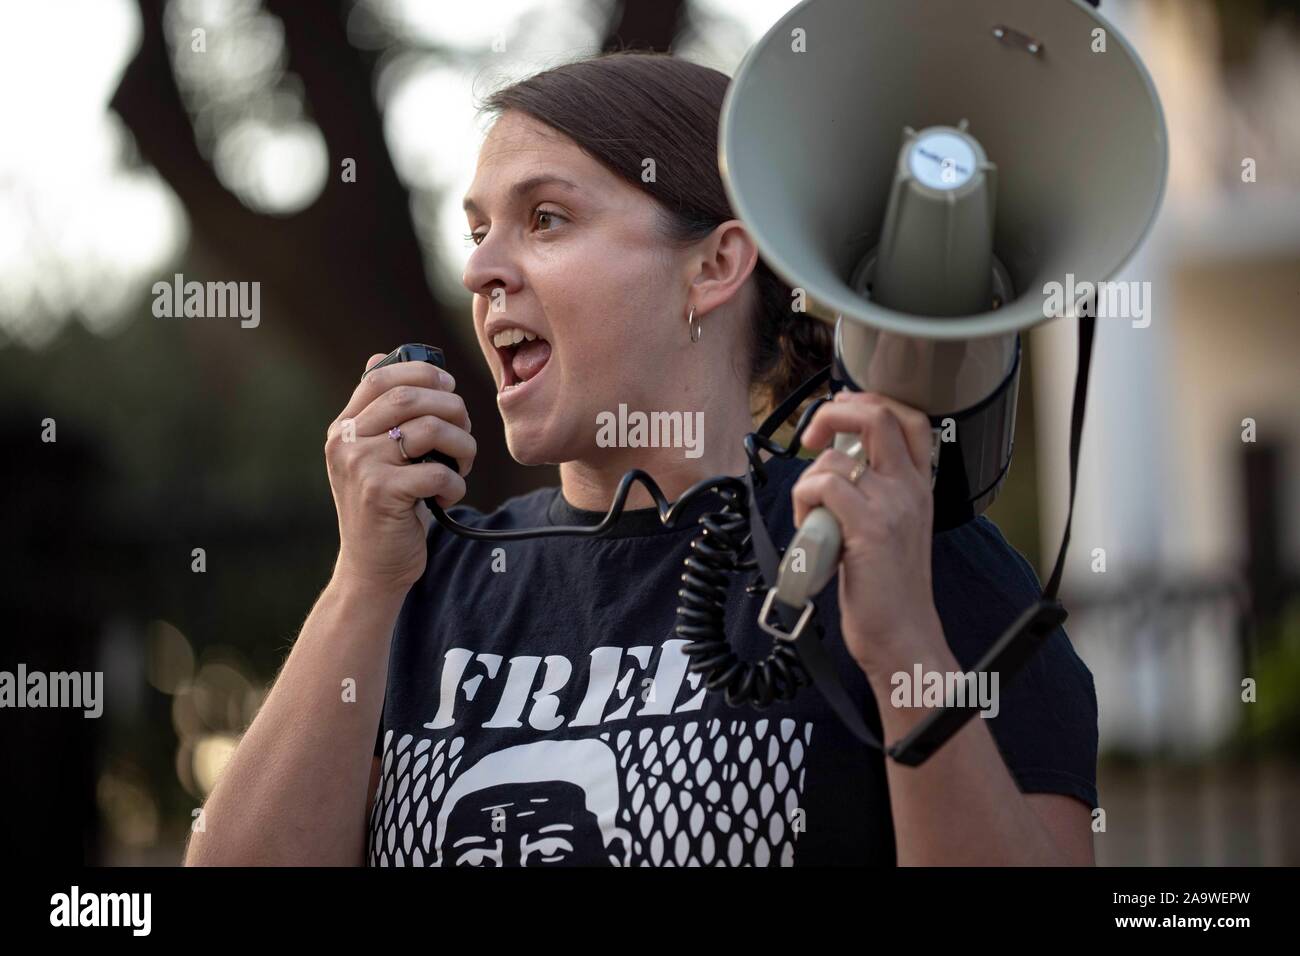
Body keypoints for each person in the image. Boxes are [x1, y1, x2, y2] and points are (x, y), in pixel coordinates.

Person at [184, 51, 1098, 867]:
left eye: (544, 219)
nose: (479, 272)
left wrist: (902, 641)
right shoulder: (423, 579)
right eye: (477, 231)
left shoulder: (908, 547)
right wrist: (360, 585)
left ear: (715, 266)